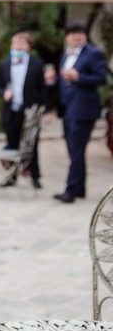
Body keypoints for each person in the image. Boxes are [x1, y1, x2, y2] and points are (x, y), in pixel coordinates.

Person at [54, 22, 108, 203]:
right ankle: (80, 188)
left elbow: (101, 78)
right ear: (66, 37)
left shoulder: (94, 53)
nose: (76, 37)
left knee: (76, 149)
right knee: (74, 150)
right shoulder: (66, 53)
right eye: (72, 34)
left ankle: (70, 190)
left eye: (79, 33)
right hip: (68, 108)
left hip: (84, 110)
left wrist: (79, 77)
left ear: (85, 36)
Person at [0, 32, 46, 189]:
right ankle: (11, 175)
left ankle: (34, 175)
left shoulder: (37, 65)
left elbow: (42, 89)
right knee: (11, 143)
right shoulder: (4, 64)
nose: (17, 46)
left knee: (31, 144)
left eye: (21, 43)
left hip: (30, 110)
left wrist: (43, 109)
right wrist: (4, 93)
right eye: (14, 44)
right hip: (11, 109)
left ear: (28, 46)